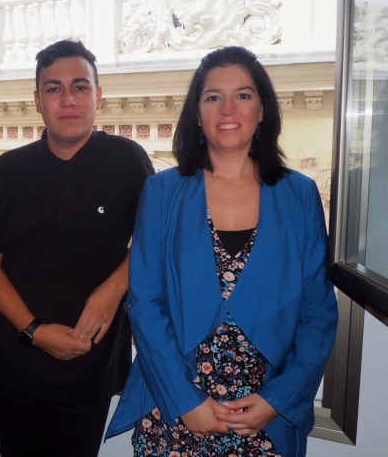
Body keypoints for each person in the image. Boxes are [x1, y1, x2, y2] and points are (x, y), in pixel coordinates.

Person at [106, 46, 338, 456]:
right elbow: (145, 304)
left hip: (264, 416)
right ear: (197, 113)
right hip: (175, 411)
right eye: (213, 97)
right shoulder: (162, 192)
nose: (228, 108)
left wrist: (277, 400)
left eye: (243, 95)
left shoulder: (299, 194)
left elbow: (318, 314)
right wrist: (186, 401)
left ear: (263, 109)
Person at [0, 38, 154, 457]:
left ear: (98, 96)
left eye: (80, 86)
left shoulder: (128, 162)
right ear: (37, 100)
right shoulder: (8, 171)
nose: (67, 99)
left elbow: (154, 244)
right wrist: (34, 331)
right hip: (15, 369)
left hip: (89, 367)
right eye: (53, 88)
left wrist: (110, 292)